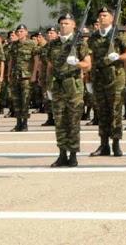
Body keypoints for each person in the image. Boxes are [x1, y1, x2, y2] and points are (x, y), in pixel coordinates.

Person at [47, 13, 91, 167]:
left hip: (73, 88)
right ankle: (61, 154)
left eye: (67, 23)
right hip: (58, 87)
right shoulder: (53, 44)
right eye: (62, 23)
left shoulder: (80, 43)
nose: (64, 26)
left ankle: (73, 155)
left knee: (73, 122)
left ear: (73, 25)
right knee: (59, 122)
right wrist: (48, 87)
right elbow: (50, 66)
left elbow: (88, 64)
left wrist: (77, 63)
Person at [88, 5, 126, 157]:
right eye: (100, 15)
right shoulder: (94, 37)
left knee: (115, 111)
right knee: (101, 111)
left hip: (115, 78)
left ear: (112, 18)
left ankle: (116, 144)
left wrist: (119, 57)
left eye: (105, 15)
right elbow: (90, 58)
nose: (102, 18)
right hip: (99, 78)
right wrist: (88, 78)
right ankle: (104, 144)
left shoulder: (120, 35)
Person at [8, 24, 38, 132]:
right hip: (15, 75)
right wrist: (9, 74)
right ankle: (18, 122)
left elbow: (36, 60)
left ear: (26, 32)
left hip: (26, 76)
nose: (19, 33)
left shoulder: (31, 44)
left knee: (25, 100)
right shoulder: (14, 45)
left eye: (21, 31)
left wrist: (34, 74)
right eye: (18, 31)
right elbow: (11, 60)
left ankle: (25, 123)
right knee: (16, 100)